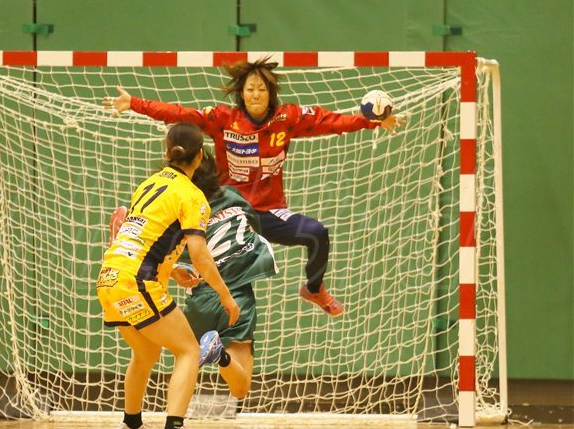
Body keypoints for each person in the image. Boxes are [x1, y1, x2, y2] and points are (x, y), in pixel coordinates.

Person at [103, 57, 406, 317]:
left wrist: (372, 122)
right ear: (241, 94)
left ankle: (314, 290)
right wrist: (135, 104)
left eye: (262, 89)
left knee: (316, 233)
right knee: (189, 237)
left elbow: (331, 121)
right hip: (229, 211)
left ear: (270, 93)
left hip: (268, 213)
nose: (256, 94)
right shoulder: (224, 119)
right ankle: (129, 232)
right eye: (250, 89)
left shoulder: (288, 118)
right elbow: (181, 115)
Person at [96, 122, 240, 429]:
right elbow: (200, 254)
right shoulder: (192, 195)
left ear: (167, 151)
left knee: (146, 352)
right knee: (189, 350)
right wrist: (225, 295)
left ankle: (131, 426)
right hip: (137, 282)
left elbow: (140, 236)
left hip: (110, 278)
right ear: (200, 155)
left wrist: (172, 270)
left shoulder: (148, 184)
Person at [171, 149, 278, 399]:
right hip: (237, 299)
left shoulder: (181, 211)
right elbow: (254, 230)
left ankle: (173, 421)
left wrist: (175, 269)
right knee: (240, 389)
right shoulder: (233, 196)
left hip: (200, 297)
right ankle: (220, 355)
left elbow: (166, 253)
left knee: (184, 369)